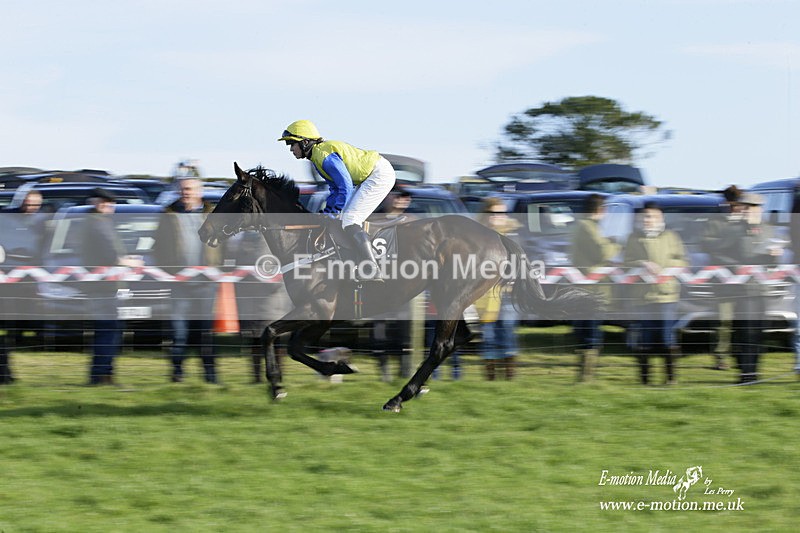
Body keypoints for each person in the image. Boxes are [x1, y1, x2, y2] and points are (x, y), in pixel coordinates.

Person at [278, 120, 396, 280]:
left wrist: (332, 213)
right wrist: (328, 212)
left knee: (350, 219)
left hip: (379, 175)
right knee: (346, 218)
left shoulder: (323, 155)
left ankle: (371, 267)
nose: (291, 149)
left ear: (305, 142)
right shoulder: (317, 158)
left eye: (293, 144)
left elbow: (345, 187)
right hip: (371, 175)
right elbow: (335, 189)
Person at [153, 177, 222, 383]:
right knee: (179, 332)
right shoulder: (168, 215)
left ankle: (210, 376)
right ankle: (177, 374)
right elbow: (157, 247)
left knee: (205, 332)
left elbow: (224, 244)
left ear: (199, 191)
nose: (186, 193)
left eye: (190, 189)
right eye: (183, 189)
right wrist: (168, 271)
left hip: (206, 284)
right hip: (179, 285)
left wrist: (220, 270)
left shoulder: (213, 215)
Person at [80, 188, 143, 385]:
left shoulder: (100, 223)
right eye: (104, 203)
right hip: (103, 287)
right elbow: (109, 256)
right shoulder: (97, 225)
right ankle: (102, 375)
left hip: (106, 285)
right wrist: (129, 262)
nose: (108, 207)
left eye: (110, 204)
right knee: (108, 331)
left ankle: (101, 373)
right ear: (96, 203)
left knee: (107, 330)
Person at [623, 202, 687, 385]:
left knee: (667, 337)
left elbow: (682, 261)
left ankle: (671, 379)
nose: (648, 220)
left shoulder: (671, 237)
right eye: (645, 217)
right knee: (645, 338)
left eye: (652, 217)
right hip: (642, 297)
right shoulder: (632, 238)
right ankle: (645, 380)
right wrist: (642, 263)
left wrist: (667, 270)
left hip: (667, 296)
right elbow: (626, 263)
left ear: (661, 219)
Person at [569, 194, 619, 382]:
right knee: (590, 332)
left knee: (585, 331)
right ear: (601, 210)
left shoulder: (579, 225)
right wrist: (614, 244)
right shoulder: (588, 227)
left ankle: (584, 374)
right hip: (592, 289)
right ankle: (587, 376)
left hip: (583, 288)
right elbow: (602, 252)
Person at [1, 190, 48, 384]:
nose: (32, 209)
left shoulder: (41, 222)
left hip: (28, 275)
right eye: (29, 205)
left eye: (35, 205)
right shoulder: (6, 218)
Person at [474, 197, 521, 380]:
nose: (499, 217)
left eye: (502, 213)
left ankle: (509, 376)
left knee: (507, 331)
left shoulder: (512, 235)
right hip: (485, 294)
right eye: (494, 213)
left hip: (508, 293)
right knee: (489, 334)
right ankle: (491, 378)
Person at [702, 185, 745, 370]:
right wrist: (731, 262)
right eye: (733, 204)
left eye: (739, 204)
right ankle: (721, 356)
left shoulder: (746, 222)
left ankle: (741, 354)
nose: (737, 208)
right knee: (723, 320)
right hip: (723, 278)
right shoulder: (715, 223)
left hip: (746, 279)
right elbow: (709, 246)